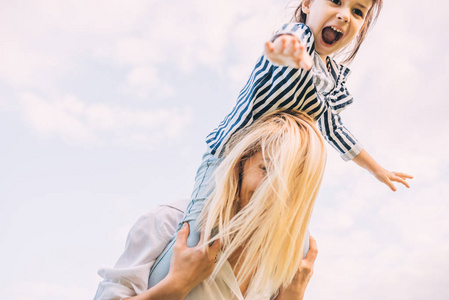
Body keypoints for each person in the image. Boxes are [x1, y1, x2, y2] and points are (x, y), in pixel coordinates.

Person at [148, 0, 413, 291]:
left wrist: (377, 170)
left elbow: (335, 130)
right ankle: (166, 285)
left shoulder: (331, 81)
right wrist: (288, 52)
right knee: (198, 236)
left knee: (294, 249)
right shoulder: (296, 36)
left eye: (357, 11)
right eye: (336, 1)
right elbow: (287, 40)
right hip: (228, 157)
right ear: (308, 4)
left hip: (281, 174)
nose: (343, 14)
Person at [95, 110, 324, 299]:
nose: (272, 192)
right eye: (266, 169)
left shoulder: (283, 264)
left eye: (291, 185)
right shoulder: (167, 222)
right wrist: (176, 285)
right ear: (241, 164)